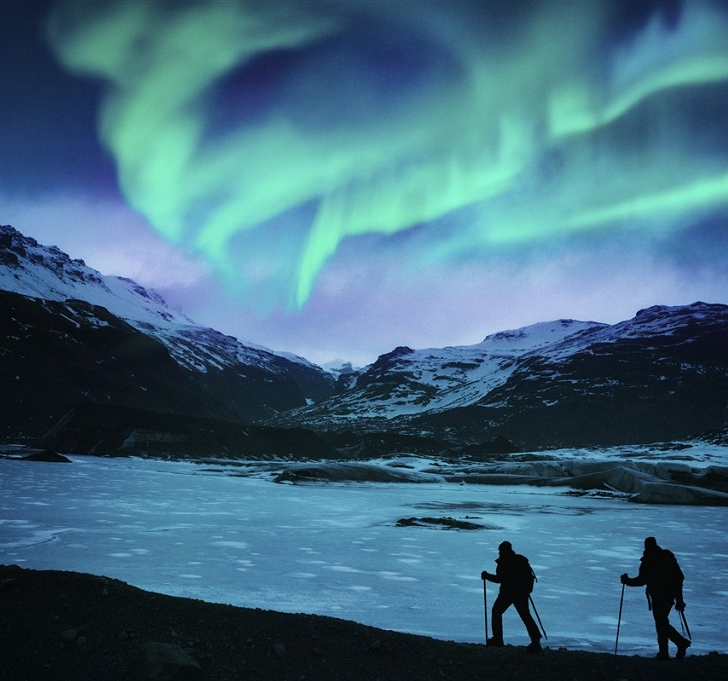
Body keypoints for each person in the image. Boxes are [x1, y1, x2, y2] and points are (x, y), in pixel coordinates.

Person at [621, 536, 691, 660]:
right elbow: (679, 578)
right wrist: (679, 599)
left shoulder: (648, 560)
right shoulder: (667, 557)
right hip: (669, 596)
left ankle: (677, 645)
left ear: (646, 546)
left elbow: (641, 580)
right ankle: (667, 651)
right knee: (661, 622)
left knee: (661, 622)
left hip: (658, 596)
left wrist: (627, 581)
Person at [481, 541, 542, 652]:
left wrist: (487, 576)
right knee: (525, 616)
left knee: (496, 611)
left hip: (508, 593)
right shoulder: (519, 561)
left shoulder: (505, 562)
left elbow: (500, 579)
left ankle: (498, 639)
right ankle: (536, 641)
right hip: (521, 593)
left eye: (500, 551)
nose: (500, 553)